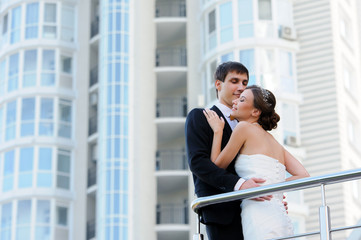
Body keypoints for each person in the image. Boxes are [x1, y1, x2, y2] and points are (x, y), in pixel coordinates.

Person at [203, 85, 310, 239]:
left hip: (258, 215)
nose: (235, 102)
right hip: (279, 216)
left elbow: (217, 167)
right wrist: (273, 188)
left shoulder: (243, 128)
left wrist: (218, 131)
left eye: (242, 99)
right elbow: (303, 175)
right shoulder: (274, 141)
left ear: (255, 112)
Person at [185, 62, 271, 240]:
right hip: (222, 212)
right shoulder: (199, 117)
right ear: (218, 84)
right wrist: (240, 185)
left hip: (258, 211)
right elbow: (198, 163)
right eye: (234, 81)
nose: (241, 87)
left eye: (245, 83)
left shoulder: (252, 126)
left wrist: (273, 194)